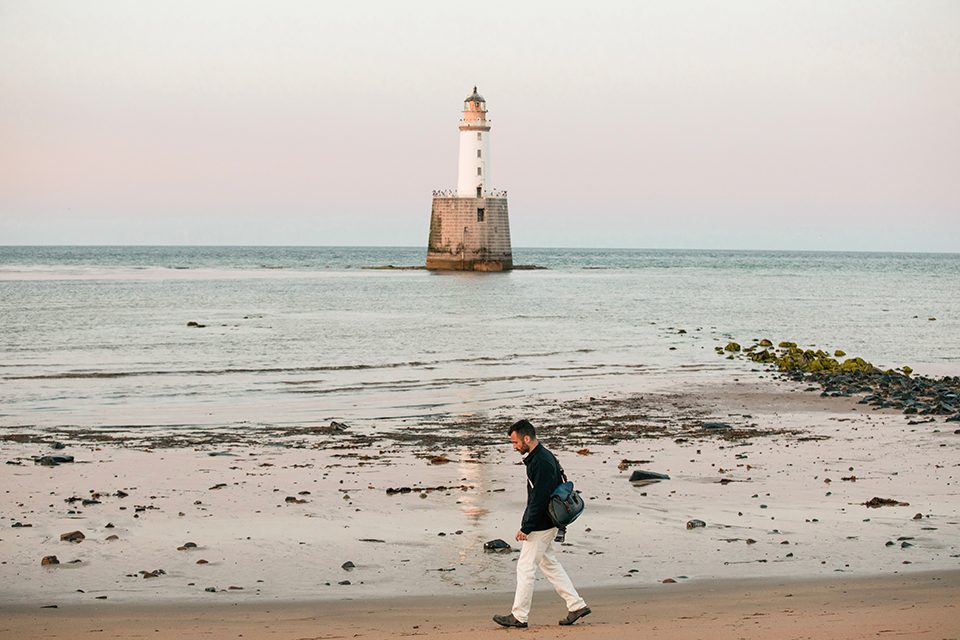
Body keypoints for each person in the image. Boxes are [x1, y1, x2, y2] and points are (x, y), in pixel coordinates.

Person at [493, 419, 592, 628]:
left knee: (525, 567)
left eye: (515, 442)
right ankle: (576, 605)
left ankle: (519, 616)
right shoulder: (540, 456)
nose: (514, 447)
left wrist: (526, 527)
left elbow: (539, 498)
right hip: (548, 520)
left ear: (526, 438)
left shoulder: (541, 462)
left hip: (543, 523)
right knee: (549, 564)